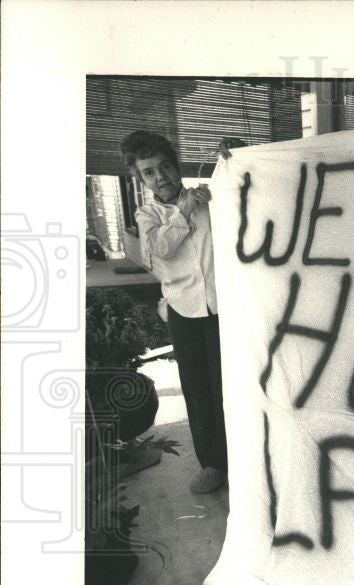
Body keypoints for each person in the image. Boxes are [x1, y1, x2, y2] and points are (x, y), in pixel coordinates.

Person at [120, 131, 227, 493]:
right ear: (142, 179)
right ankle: (212, 464)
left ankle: (243, 461)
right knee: (197, 390)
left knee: (228, 386)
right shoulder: (147, 214)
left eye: (165, 166)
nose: (160, 176)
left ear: (176, 165)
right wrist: (183, 211)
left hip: (223, 306)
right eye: (149, 172)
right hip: (183, 311)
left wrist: (237, 156)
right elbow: (160, 249)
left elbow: (249, 195)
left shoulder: (210, 198)